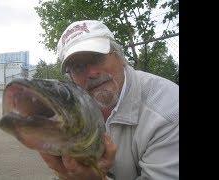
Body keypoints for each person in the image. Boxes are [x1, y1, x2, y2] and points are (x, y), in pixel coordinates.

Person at [38, 20, 179, 180]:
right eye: (78, 67)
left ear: (120, 56)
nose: (91, 73)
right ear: (71, 77)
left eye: (97, 58)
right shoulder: (73, 110)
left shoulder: (169, 111)